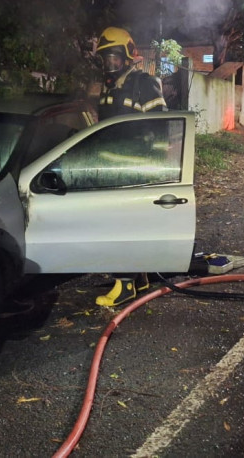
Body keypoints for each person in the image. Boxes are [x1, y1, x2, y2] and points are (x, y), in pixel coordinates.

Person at [93, 26, 167, 307]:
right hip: (112, 170)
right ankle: (140, 278)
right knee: (127, 226)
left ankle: (123, 285)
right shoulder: (110, 86)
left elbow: (160, 128)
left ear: (127, 57)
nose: (109, 65)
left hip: (135, 169)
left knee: (119, 228)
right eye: (105, 59)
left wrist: (156, 169)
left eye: (113, 58)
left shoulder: (143, 83)